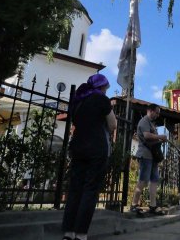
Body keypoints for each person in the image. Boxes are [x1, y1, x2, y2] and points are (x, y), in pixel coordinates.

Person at [61, 74, 117, 240]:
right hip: (96, 148)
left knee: (75, 189)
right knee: (90, 189)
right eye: (106, 87)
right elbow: (113, 124)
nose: (106, 90)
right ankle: (81, 233)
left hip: (78, 147)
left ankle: (68, 232)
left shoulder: (78, 100)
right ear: (102, 87)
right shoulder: (102, 100)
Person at [131, 103, 167, 215]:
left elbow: (152, 138)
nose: (157, 115)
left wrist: (159, 140)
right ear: (150, 111)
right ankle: (134, 204)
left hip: (153, 156)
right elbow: (146, 135)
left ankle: (153, 205)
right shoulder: (144, 121)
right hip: (145, 155)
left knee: (154, 180)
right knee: (143, 180)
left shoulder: (151, 123)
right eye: (156, 112)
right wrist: (160, 136)